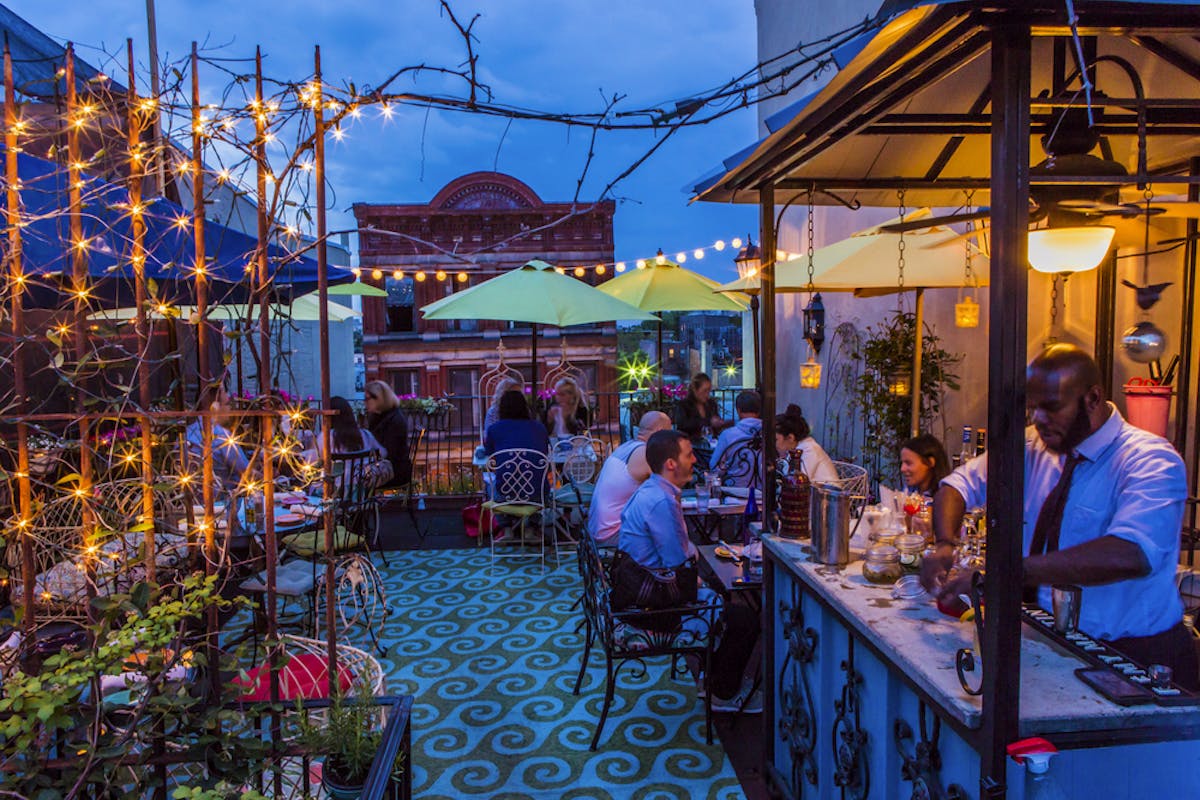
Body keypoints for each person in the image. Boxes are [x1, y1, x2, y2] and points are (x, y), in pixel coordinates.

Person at [921, 344, 1198, 690]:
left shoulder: (1151, 460)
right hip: (1055, 646)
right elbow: (959, 484)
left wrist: (1010, 572)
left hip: (1137, 657)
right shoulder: (1034, 446)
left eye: (1051, 408)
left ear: (1092, 399)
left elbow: (1131, 553)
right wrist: (945, 544)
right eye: (1033, 408)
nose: (1038, 419)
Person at [615, 429, 762, 712]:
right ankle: (723, 694)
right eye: (688, 454)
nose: (695, 459)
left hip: (637, 593)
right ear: (671, 463)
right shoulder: (660, 501)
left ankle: (714, 679)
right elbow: (679, 564)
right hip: (650, 607)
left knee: (721, 597)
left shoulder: (652, 491)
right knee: (743, 619)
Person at [586, 410, 672, 546]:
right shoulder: (646, 453)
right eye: (669, 433)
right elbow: (668, 490)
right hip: (613, 534)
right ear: (660, 431)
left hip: (596, 531)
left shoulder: (626, 447)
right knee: (671, 535)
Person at [186, 382, 255, 493]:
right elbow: (246, 473)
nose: (229, 410)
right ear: (215, 407)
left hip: (192, 501)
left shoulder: (186, 433)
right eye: (227, 404)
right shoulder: (221, 435)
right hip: (223, 502)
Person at [363, 380, 412, 489]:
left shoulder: (394, 421)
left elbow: (389, 453)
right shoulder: (380, 416)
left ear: (379, 398)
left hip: (394, 471)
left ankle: (361, 505)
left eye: (367, 399)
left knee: (356, 479)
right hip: (387, 467)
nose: (365, 403)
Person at [710, 390, 763, 487]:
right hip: (764, 493)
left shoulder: (728, 435)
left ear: (738, 410)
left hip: (734, 491)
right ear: (759, 410)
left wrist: (726, 466)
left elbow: (714, 468)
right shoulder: (769, 434)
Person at [775, 404, 838, 484]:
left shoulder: (809, 450)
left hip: (827, 494)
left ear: (790, 438)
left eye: (775, 440)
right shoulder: (796, 449)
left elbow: (797, 483)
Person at [673, 372, 727, 439]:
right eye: (705, 391)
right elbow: (683, 425)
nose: (707, 395)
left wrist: (720, 424)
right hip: (690, 443)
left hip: (710, 443)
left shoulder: (711, 404)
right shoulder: (684, 405)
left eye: (709, 391)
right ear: (695, 390)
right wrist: (709, 421)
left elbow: (715, 425)